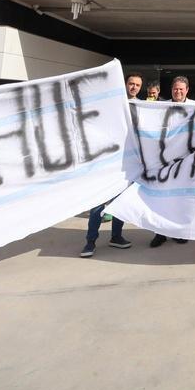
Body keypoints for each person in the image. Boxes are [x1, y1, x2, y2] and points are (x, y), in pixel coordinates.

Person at [82, 76, 137, 257]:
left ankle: (116, 236)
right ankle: (90, 242)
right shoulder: (111, 105)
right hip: (104, 165)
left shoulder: (139, 107)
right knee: (97, 206)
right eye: (131, 84)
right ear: (125, 85)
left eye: (137, 85)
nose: (134, 87)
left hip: (124, 166)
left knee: (120, 203)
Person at [149, 77, 195, 248]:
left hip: (185, 160)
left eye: (181, 89)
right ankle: (160, 233)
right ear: (171, 90)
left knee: (181, 198)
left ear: (187, 90)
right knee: (161, 197)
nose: (178, 92)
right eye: (175, 89)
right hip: (164, 160)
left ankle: (178, 232)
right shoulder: (161, 107)